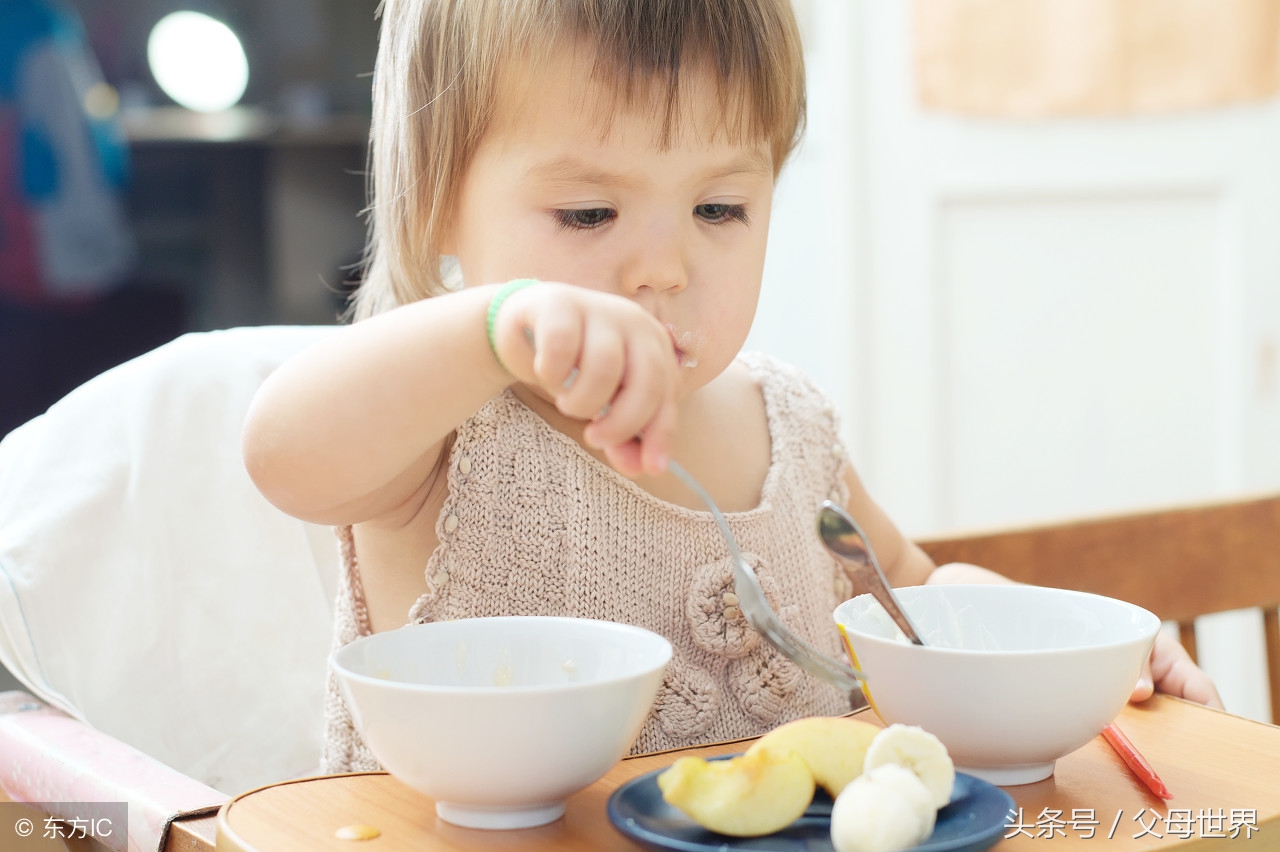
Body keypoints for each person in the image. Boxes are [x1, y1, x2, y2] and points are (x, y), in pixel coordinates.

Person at [241, 0, 1221, 773]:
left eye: (719, 206)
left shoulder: (789, 430)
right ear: (436, 208)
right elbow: (283, 455)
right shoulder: (444, 432)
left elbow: (915, 592)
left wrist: (1084, 655)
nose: (661, 268)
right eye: (586, 213)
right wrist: (495, 324)